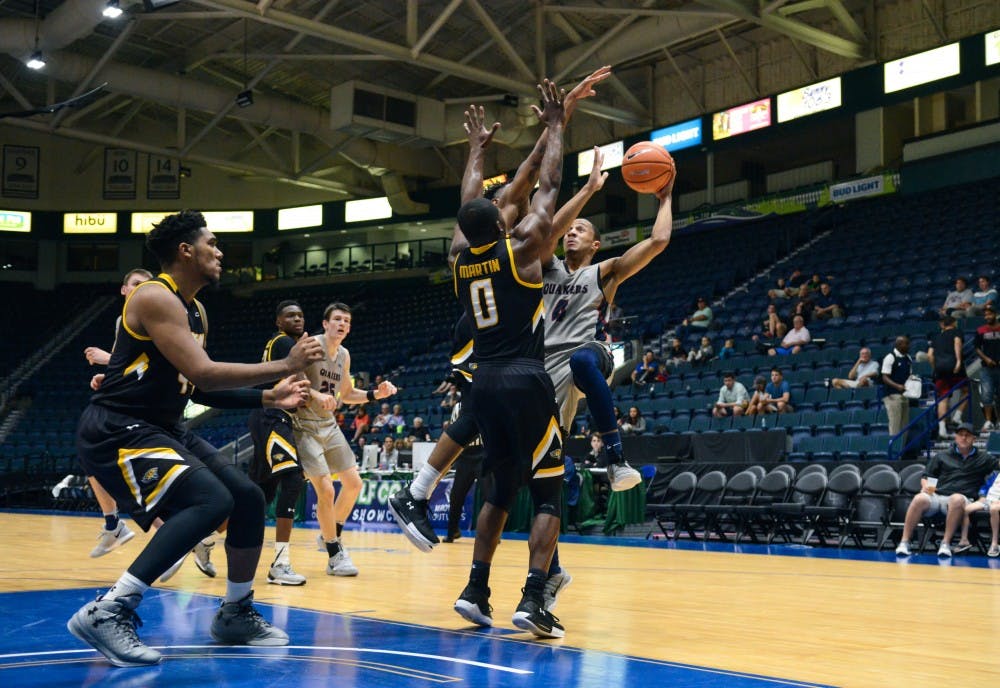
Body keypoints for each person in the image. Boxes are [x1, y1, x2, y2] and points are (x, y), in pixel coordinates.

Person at [68, 210, 323, 668]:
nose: (220, 252)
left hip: (163, 426)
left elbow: (199, 388)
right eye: (212, 243)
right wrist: (286, 366)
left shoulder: (195, 309)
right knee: (209, 500)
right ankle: (110, 609)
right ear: (186, 250)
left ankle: (235, 613)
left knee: (245, 497)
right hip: (119, 427)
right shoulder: (154, 296)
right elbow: (203, 371)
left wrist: (270, 396)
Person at [449, 78, 567, 639]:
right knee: (548, 487)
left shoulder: (457, 257)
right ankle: (532, 598)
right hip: (526, 379)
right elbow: (550, 185)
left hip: (484, 383)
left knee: (498, 485)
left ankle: (476, 588)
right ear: (500, 222)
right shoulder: (523, 249)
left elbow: (468, 203)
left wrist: (476, 152)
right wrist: (557, 124)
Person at [295, 302, 397, 577]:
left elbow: (348, 394)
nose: (342, 324)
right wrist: (317, 396)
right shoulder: (310, 347)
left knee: (353, 484)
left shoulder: (344, 355)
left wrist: (377, 394)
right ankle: (333, 553)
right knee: (326, 491)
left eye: (347, 322)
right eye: (337, 319)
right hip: (304, 425)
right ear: (325, 323)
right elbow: (293, 382)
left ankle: (331, 533)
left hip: (328, 424)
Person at [83, 268, 152, 559]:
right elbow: (125, 366)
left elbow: (154, 363)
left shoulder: (153, 317)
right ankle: (113, 523)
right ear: (124, 290)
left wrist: (106, 359)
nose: (139, 290)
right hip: (128, 399)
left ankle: (183, 534)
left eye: (145, 286)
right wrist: (107, 376)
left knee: (128, 471)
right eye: (135, 285)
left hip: (151, 402)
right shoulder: (121, 321)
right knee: (93, 460)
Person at [247, 299, 310, 586]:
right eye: (290, 315)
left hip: (266, 416)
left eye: (300, 315)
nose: (297, 319)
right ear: (279, 322)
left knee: (257, 497)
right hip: (272, 416)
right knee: (294, 479)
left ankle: (206, 539)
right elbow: (300, 382)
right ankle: (280, 563)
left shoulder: (283, 344)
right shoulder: (284, 343)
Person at [895, 423, 998, 557]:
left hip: (963, 499)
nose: (964, 438)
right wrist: (927, 488)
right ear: (955, 437)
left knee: (956, 498)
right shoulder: (942, 455)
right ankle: (904, 542)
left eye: (967, 435)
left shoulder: (984, 458)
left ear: (974, 439)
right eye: (960, 435)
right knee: (919, 498)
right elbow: (928, 476)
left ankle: (945, 544)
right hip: (938, 495)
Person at [928, 314, 966, 439]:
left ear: (943, 325)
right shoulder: (956, 331)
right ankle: (957, 416)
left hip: (940, 370)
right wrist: (959, 361)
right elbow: (957, 343)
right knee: (966, 390)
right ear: (954, 323)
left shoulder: (936, 337)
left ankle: (942, 430)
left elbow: (929, 355)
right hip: (953, 367)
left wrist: (935, 368)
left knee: (943, 398)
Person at [881, 336, 913, 438]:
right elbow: (885, 377)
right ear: (899, 344)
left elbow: (909, 376)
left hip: (905, 395)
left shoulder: (908, 358)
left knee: (904, 427)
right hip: (892, 396)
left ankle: (901, 452)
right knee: (895, 426)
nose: (908, 346)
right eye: (906, 343)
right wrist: (897, 386)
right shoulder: (890, 357)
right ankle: (894, 453)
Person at [975, 305, 1000, 430]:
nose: (987, 316)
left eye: (990, 314)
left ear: (995, 314)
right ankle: (989, 421)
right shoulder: (980, 330)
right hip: (986, 368)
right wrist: (986, 359)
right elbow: (977, 348)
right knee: (986, 394)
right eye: (985, 315)